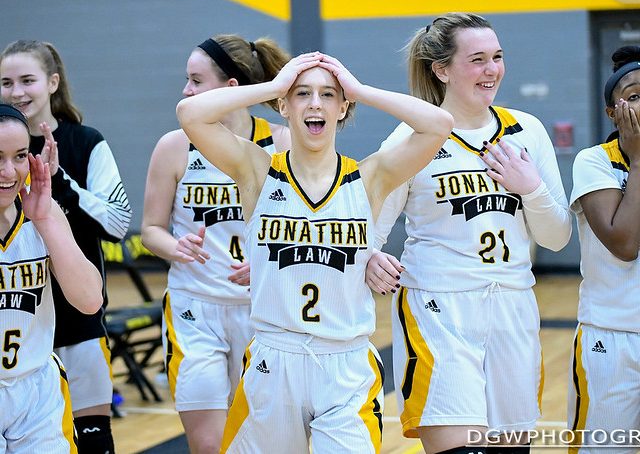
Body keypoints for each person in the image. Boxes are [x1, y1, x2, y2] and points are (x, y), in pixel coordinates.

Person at [176, 51, 453, 453]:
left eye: (328, 95)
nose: (315, 104)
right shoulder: (257, 169)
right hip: (274, 358)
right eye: (302, 93)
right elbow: (190, 114)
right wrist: (273, 86)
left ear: (342, 108)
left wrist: (359, 89)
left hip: (345, 362)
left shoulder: (370, 177)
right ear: (284, 106)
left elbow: (439, 124)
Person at [365, 13, 572, 454]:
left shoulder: (526, 130)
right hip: (440, 306)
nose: (492, 69)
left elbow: (556, 237)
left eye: (497, 57)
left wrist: (530, 187)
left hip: (513, 304)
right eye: (477, 60)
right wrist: (368, 257)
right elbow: (368, 228)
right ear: (442, 70)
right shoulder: (412, 135)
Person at [141, 34, 291, 453]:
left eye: (195, 81)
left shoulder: (284, 143)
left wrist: (270, 260)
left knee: (266, 440)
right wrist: (175, 246)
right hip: (195, 307)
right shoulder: (174, 147)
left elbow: (306, 226)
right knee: (207, 444)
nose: (186, 92)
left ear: (230, 89)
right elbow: (151, 228)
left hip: (263, 309)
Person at [0, 40, 132, 454]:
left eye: (20, 156)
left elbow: (116, 228)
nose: (17, 91)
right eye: (7, 82)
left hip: (52, 355)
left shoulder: (82, 146)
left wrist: (55, 197)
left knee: (93, 439)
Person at [0, 104, 103, 453]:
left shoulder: (43, 212)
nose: (8, 171)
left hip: (36, 389)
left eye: (18, 156)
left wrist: (45, 219)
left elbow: (90, 301)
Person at [567, 46, 640, 452]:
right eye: (632, 95)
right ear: (612, 113)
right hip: (612, 338)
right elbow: (624, 243)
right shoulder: (594, 161)